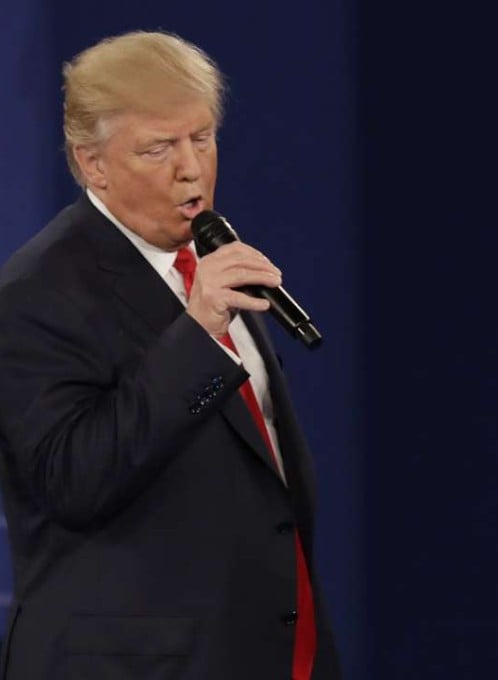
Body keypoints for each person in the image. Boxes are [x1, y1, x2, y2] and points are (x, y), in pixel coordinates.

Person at [0, 31, 342, 678]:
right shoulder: (34, 294)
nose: (191, 168)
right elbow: (72, 480)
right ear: (92, 164)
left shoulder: (206, 259)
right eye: (158, 149)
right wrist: (198, 333)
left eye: (202, 138)